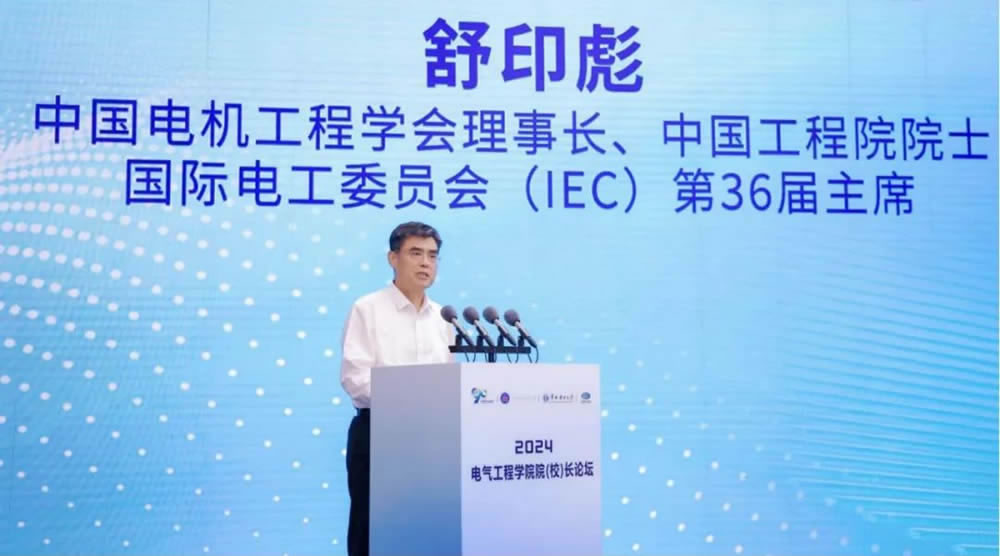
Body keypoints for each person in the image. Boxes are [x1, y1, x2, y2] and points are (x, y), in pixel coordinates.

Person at [339, 221, 454, 556]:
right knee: (371, 531)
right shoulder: (367, 309)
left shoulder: (444, 318)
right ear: (393, 258)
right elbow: (355, 378)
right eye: (415, 253)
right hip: (379, 433)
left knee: (425, 528)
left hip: (432, 439)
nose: (425, 263)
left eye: (432, 255)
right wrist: (409, 399)